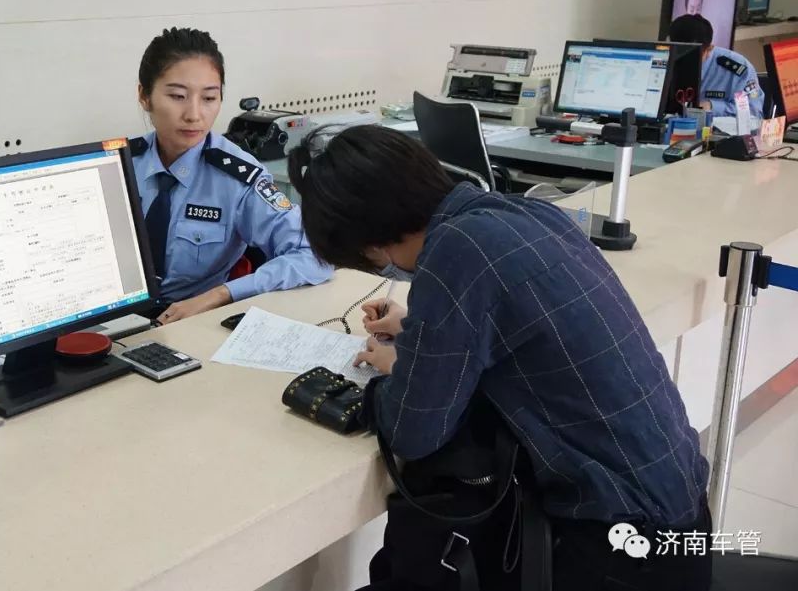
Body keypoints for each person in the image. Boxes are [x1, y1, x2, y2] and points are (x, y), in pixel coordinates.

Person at [287, 125, 712, 591]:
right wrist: (418, 331)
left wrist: (401, 366)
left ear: (371, 245)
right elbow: (515, 328)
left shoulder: (455, 251)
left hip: (622, 543)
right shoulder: (515, 211)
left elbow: (413, 429)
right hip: (678, 504)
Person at [130, 27, 331, 325]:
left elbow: (314, 256)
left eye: (209, 98)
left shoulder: (238, 178)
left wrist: (219, 295)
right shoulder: (119, 165)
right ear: (145, 96)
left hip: (192, 321)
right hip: (106, 324)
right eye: (177, 96)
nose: (194, 114)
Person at [670, 13, 764, 119]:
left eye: (692, 54)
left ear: (709, 49)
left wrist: (713, 107)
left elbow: (754, 112)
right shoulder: (661, 59)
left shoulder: (737, 69)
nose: (685, 59)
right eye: (679, 52)